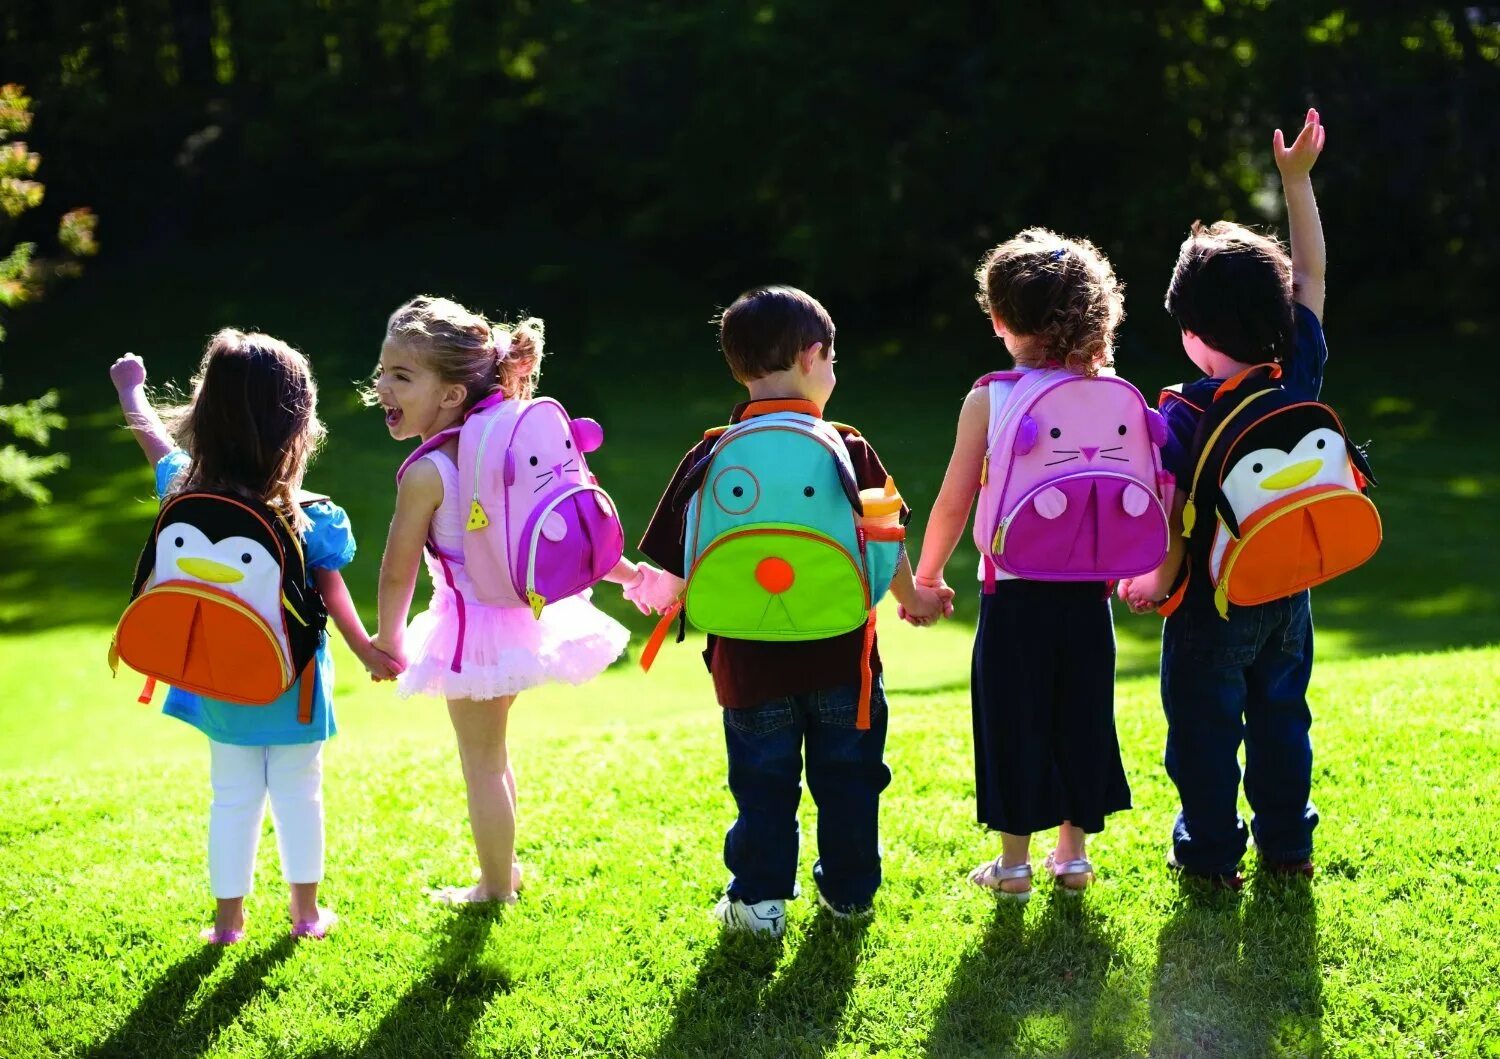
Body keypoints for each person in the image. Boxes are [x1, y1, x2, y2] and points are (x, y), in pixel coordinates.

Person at [632, 285, 944, 937]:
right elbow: (888, 537)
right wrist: (915, 597)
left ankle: (760, 900)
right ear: (811, 356)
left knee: (762, 784)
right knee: (850, 778)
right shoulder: (849, 445)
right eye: (832, 361)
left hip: (747, 665)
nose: (832, 373)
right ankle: (851, 892)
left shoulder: (712, 451)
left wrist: (648, 590)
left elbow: (672, 566)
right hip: (843, 659)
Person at [110, 331, 396, 944]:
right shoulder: (310, 514)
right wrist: (367, 649)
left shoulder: (184, 488)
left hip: (214, 678)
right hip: (293, 684)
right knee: (300, 793)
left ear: (205, 413)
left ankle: (227, 922)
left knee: (231, 798)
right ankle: (306, 915)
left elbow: (153, 439)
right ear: (295, 426)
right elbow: (333, 591)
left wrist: (131, 391)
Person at [1120, 110, 1330, 888]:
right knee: (1283, 719)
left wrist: (1150, 583)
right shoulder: (1295, 375)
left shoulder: (1182, 411)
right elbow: (1311, 276)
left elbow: (1168, 508)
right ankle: (1287, 845)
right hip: (1288, 587)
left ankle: (1210, 856)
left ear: (1194, 332)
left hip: (1212, 602)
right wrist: (1296, 182)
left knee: (1204, 736)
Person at [370, 296, 636, 905]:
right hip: (521, 618)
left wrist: (389, 638)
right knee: (493, 755)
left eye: (402, 376)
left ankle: (494, 889)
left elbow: (395, 572)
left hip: (471, 634)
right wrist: (626, 577)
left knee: (482, 762)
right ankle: (503, 872)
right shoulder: (498, 445)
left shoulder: (427, 472)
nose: (382, 386)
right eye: (383, 370)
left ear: (451, 395)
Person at [912, 229, 1134, 901]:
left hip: (1013, 594)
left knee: (1014, 722)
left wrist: (926, 577)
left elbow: (954, 499)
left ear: (1002, 320)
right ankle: (1073, 857)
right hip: (1089, 594)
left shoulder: (991, 397)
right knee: (1083, 716)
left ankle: (1013, 864)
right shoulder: (1111, 389)